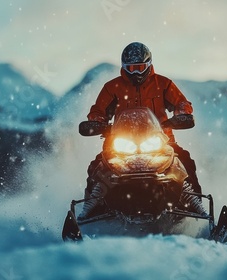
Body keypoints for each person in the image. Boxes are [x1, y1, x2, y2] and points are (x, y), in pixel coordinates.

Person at [79, 42, 206, 219]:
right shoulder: (112, 87)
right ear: (124, 67)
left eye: (140, 67)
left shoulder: (163, 84)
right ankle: (91, 210)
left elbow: (182, 103)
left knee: (185, 161)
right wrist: (97, 122)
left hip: (160, 141)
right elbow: (98, 111)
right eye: (131, 68)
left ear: (148, 65)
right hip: (120, 144)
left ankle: (195, 206)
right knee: (96, 167)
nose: (136, 73)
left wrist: (181, 114)